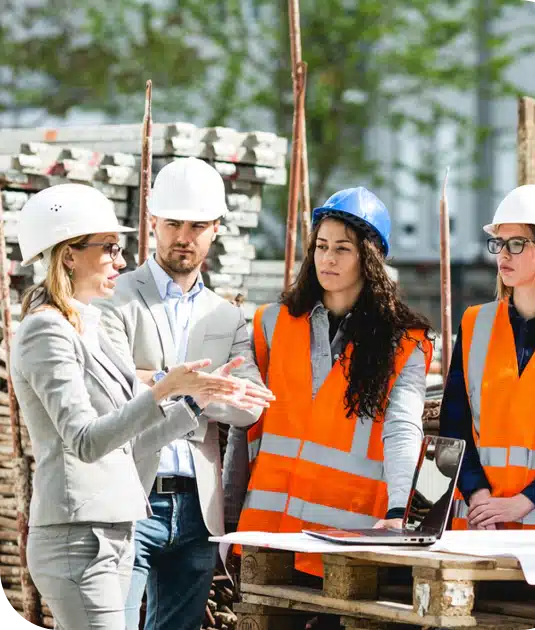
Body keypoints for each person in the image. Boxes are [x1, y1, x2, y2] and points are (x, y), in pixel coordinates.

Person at [10, 183, 262, 630]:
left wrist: (194, 401)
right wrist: (163, 390)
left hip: (109, 530)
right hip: (78, 535)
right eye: (108, 248)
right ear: (69, 254)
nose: (121, 260)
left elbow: (127, 440)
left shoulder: (85, 325)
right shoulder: (45, 330)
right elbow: (86, 441)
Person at [95, 157, 272, 630]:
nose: (183, 236)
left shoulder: (228, 316)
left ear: (215, 229)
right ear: (152, 223)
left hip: (196, 507)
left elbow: (249, 407)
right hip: (129, 495)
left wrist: (159, 382)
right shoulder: (115, 297)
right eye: (172, 223)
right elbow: (109, 394)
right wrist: (199, 389)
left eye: (197, 225)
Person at [223, 186, 434, 578]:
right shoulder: (272, 323)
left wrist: (396, 510)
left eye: (342, 249)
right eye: (321, 246)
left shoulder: (404, 342)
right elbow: (244, 428)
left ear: (368, 258)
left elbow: (403, 429)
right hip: (269, 535)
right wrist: (230, 516)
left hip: (344, 539)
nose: (327, 259)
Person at [439, 184, 535, 530]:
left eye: (517, 244)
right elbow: (453, 429)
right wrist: (477, 495)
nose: (503, 255)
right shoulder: (474, 324)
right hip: (477, 531)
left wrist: (523, 503)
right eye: (499, 243)